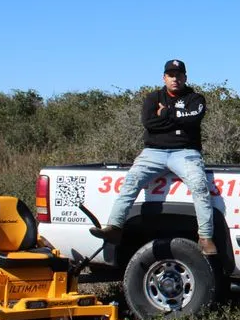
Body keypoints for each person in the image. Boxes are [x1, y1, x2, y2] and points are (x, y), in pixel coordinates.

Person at [89, 59, 216, 255]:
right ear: (164, 77)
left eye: (179, 75)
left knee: (200, 185)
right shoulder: (152, 97)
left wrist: (165, 112)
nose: (175, 79)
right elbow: (149, 123)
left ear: (185, 77)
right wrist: (178, 120)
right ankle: (114, 228)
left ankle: (206, 237)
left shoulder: (196, 99)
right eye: (171, 75)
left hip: (186, 152)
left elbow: (193, 119)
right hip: (153, 152)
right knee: (131, 181)